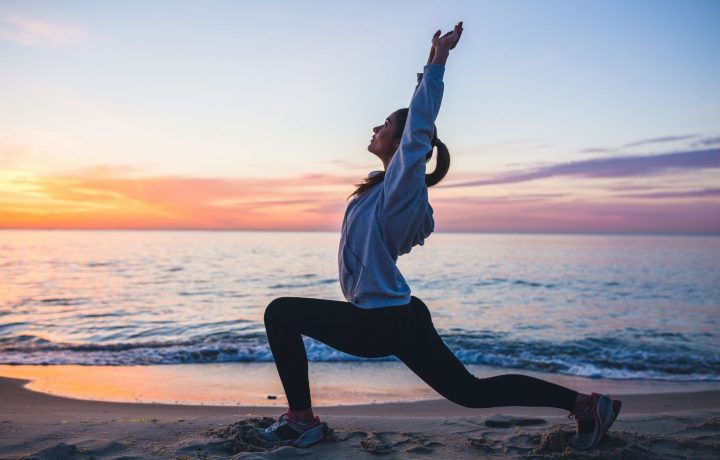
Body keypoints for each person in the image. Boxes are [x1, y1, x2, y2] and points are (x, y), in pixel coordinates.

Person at [257, 22, 621, 450]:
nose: (376, 127)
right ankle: (585, 405)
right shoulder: (383, 187)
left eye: (386, 124)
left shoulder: (401, 186)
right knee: (470, 392)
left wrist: (438, 60)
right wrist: (426, 69)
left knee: (280, 313)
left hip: (381, 320)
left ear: (406, 140)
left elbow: (419, 127)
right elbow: (413, 134)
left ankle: (302, 422)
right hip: (398, 312)